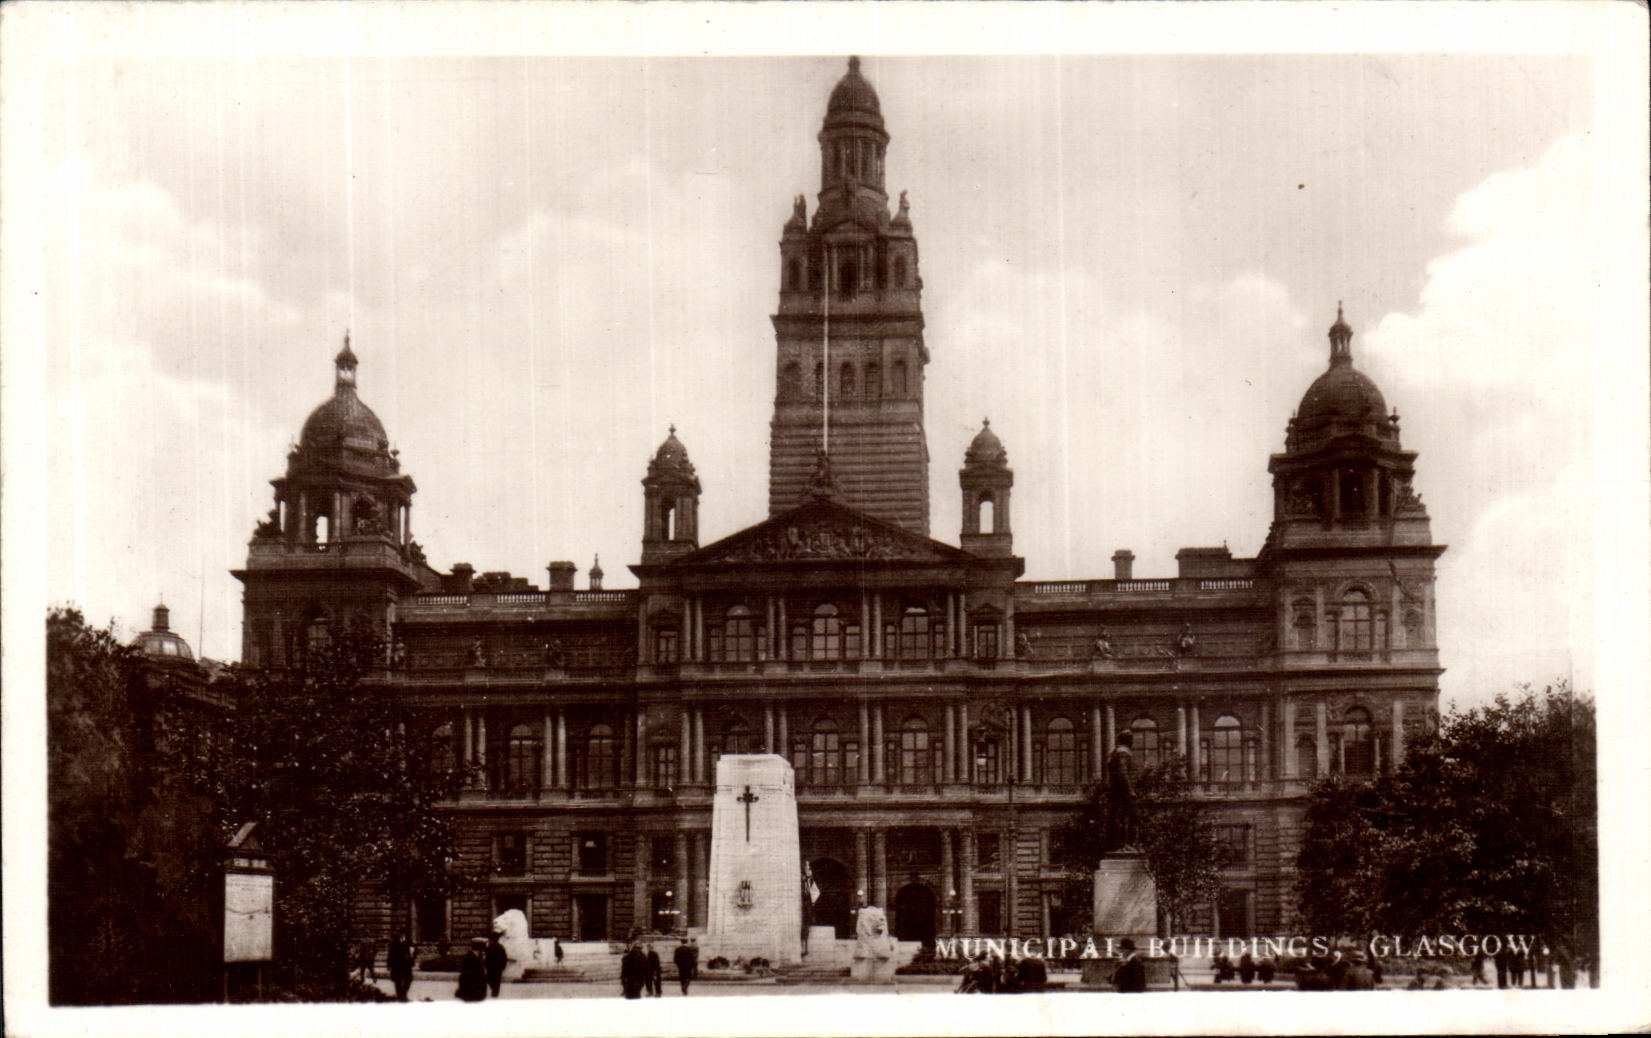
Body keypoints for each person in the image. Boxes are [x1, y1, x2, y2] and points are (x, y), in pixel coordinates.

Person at [387, 931, 417, 1002]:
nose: (402, 935)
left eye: (403, 933)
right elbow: (391, 954)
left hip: (407, 965)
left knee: (408, 980)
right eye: (401, 933)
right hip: (397, 965)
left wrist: (413, 955)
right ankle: (400, 996)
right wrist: (389, 965)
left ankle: (403, 994)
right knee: (398, 981)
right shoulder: (394, 943)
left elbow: (415, 951)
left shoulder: (409, 942)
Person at [456, 937, 489, 1002]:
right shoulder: (470, 958)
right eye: (484, 946)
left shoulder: (477, 957)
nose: (485, 948)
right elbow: (466, 977)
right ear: (479, 947)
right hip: (472, 994)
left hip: (477, 993)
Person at [485, 930, 508, 997]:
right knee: (496, 980)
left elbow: (487, 957)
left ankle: (495, 992)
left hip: (492, 967)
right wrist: (503, 966)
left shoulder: (490, 947)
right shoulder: (500, 947)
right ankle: (495, 991)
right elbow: (504, 957)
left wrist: (486, 965)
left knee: (491, 979)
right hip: (497, 967)